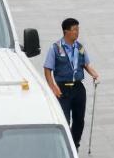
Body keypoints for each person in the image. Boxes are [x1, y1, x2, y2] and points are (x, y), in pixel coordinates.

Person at [43, 18, 100, 149]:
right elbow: (47, 69)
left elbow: (85, 64)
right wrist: (53, 87)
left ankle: (75, 145)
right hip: (63, 89)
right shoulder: (56, 48)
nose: (77, 32)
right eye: (74, 30)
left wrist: (93, 73)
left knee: (79, 119)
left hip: (78, 88)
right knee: (65, 119)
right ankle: (65, 146)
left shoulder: (80, 48)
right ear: (66, 31)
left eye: (78, 29)